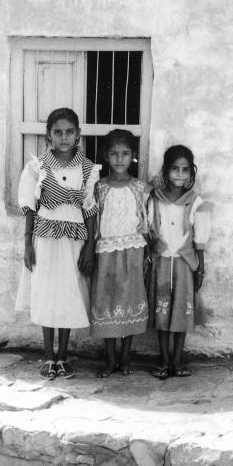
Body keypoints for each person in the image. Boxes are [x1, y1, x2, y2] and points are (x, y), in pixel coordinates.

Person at [16, 107, 100, 379]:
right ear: (48, 135)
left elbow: (89, 209)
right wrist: (28, 244)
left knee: (68, 293)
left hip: (74, 241)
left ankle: (63, 356)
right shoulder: (37, 167)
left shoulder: (88, 169)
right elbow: (30, 207)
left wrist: (89, 247)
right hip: (45, 240)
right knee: (46, 294)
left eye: (69, 132)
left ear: (78, 135)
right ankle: (48, 357)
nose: (64, 138)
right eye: (58, 132)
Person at [89, 129, 150, 376]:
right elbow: (94, 221)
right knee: (107, 304)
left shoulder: (139, 188)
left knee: (129, 301)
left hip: (133, 252)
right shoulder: (99, 188)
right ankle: (110, 358)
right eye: (114, 154)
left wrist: (147, 252)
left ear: (133, 156)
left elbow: (147, 221)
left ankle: (126, 357)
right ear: (106, 156)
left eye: (125, 154)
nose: (119, 159)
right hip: (105, 253)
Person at [147, 144, 210, 378]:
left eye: (185, 170)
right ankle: (163, 361)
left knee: (182, 312)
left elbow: (200, 237)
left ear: (191, 173)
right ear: (165, 171)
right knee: (162, 312)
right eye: (175, 169)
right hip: (162, 261)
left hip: (185, 264)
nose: (180, 175)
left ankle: (178, 360)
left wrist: (200, 267)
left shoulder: (195, 202)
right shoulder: (156, 199)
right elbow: (150, 227)